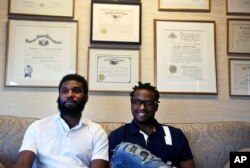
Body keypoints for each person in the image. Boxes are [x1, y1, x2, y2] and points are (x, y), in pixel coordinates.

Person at [11, 74, 109, 168]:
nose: (70, 94)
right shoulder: (37, 127)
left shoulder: (97, 131)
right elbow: (23, 163)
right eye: (65, 91)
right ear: (59, 96)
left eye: (76, 90)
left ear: (86, 98)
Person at [109, 82, 196, 168]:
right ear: (131, 105)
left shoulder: (175, 135)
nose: (142, 107)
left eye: (148, 103)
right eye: (137, 102)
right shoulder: (117, 135)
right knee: (122, 149)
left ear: (156, 107)